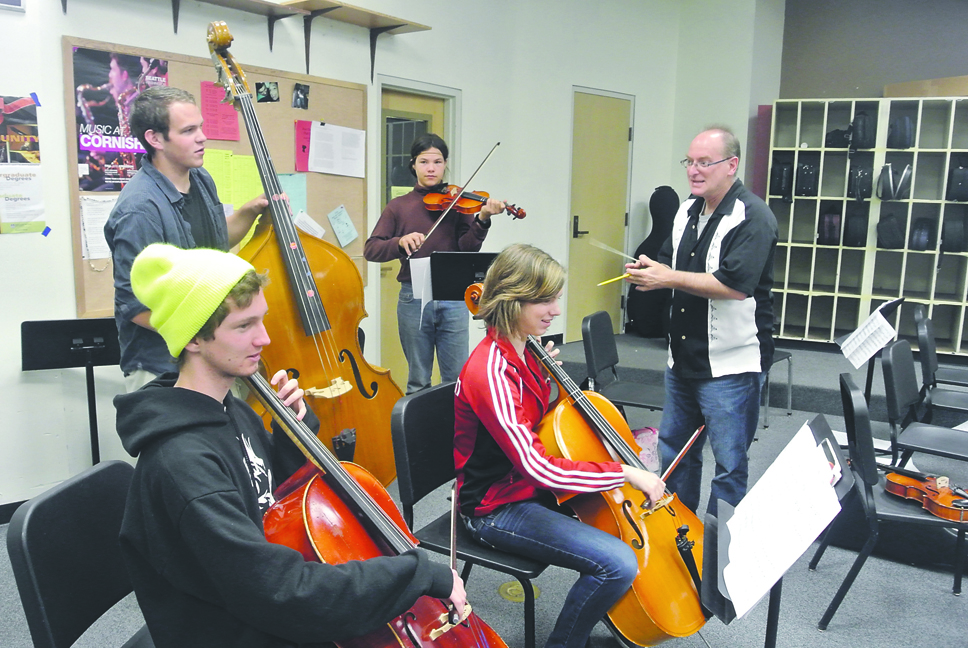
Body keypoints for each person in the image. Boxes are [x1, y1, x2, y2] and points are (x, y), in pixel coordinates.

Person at [116, 243, 465, 648]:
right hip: (236, 630)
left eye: (262, 320)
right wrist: (419, 575)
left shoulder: (231, 407)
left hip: (258, 602)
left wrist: (289, 433)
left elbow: (272, 494)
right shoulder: (183, 466)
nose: (264, 338)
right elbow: (283, 593)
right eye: (244, 326)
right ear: (194, 339)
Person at [454, 243, 666, 648]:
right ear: (513, 299)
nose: (555, 310)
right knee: (618, 563)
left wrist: (541, 378)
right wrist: (623, 471)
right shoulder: (490, 371)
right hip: (496, 508)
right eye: (545, 301)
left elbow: (536, 427)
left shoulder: (523, 346)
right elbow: (538, 466)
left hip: (526, 489)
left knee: (619, 532)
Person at [624, 126, 778, 518]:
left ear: (732, 165)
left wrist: (668, 277)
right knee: (676, 455)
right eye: (689, 162)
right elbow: (669, 264)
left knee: (728, 466)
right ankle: (682, 539)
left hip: (731, 365)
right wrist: (649, 272)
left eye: (704, 162)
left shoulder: (754, 216)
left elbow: (734, 286)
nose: (693, 171)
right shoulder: (686, 211)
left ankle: (718, 559)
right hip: (682, 360)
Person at [104, 86, 274, 392]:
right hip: (164, 368)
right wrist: (209, 331)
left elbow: (216, 246)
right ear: (155, 139)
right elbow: (135, 306)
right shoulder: (139, 210)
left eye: (201, 127)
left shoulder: (201, 179)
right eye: (188, 130)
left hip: (211, 355)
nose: (202, 137)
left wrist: (249, 212)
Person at [364, 133, 506, 394]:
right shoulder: (398, 206)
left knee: (456, 378)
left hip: (453, 296)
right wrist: (398, 242)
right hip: (413, 296)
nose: (431, 168)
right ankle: (421, 433)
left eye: (438, 162)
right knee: (418, 379)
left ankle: (454, 432)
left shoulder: (458, 202)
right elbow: (371, 249)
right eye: (424, 162)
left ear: (445, 164)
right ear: (413, 165)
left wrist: (483, 218)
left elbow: (468, 248)